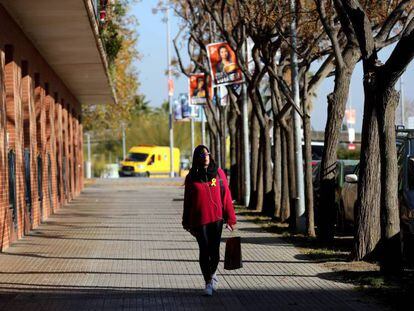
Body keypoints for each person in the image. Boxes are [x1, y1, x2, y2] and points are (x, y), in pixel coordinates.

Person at [182, 145, 236, 296]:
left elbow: (226, 196)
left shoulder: (218, 174)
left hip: (216, 219)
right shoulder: (191, 177)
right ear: (197, 158)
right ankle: (208, 282)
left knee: (215, 251)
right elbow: (188, 201)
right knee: (204, 250)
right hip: (199, 220)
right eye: (202, 155)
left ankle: (212, 275)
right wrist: (186, 221)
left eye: (207, 154)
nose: (206, 157)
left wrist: (230, 218)